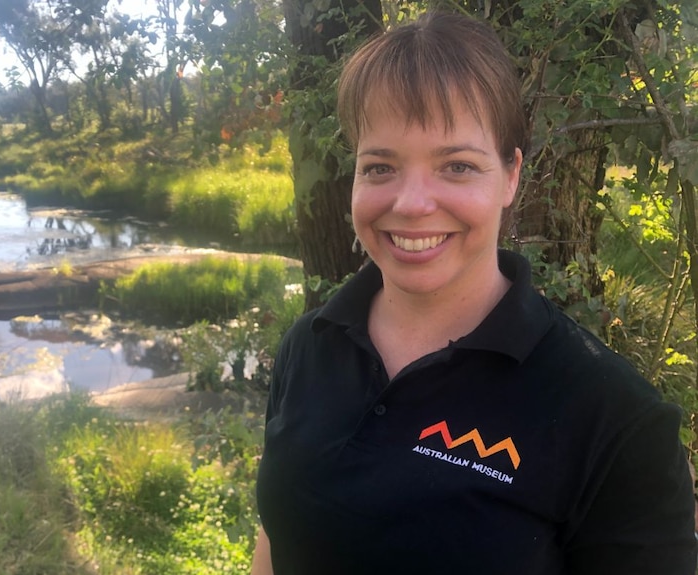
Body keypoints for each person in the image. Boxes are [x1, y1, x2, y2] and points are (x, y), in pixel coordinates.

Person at [252, 11, 697, 575]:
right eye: (380, 166)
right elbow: (275, 534)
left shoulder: (615, 418)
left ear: (511, 174)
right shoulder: (308, 346)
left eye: (457, 165)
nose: (411, 203)